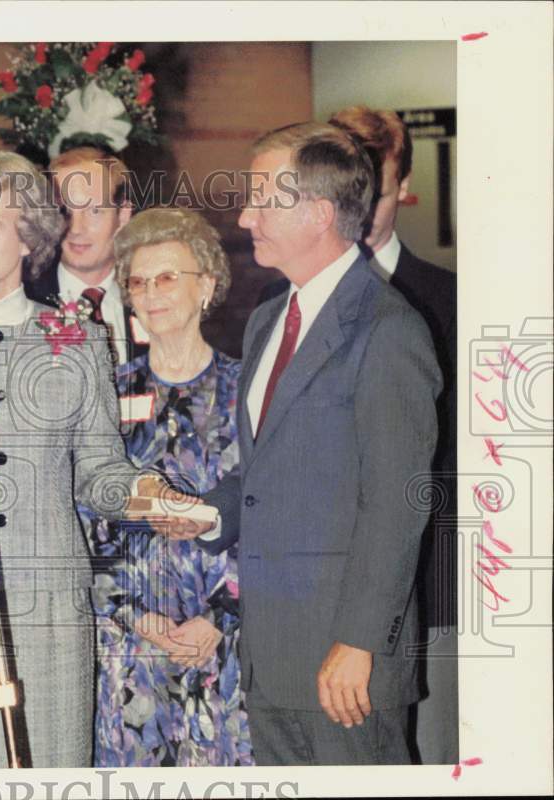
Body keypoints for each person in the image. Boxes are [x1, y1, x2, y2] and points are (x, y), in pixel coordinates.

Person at [0, 152, 209, 769]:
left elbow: (99, 470)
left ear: (29, 234)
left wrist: (155, 498)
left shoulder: (76, 337)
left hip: (52, 614)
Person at [235, 122, 441, 765]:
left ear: (320, 214)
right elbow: (270, 474)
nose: (245, 217)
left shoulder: (388, 330)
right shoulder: (268, 319)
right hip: (271, 660)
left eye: (263, 200)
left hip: (344, 668)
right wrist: (200, 509)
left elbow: (398, 502)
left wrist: (361, 643)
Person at [87, 208, 253, 767]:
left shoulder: (246, 390)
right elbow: (83, 520)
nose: (151, 293)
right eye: (137, 281)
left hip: (226, 646)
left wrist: (220, 616)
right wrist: (136, 615)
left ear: (206, 285)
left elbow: (270, 509)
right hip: (132, 650)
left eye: (167, 278)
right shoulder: (105, 396)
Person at [330, 105, 458, 765]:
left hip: (426, 593)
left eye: (372, 188)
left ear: (403, 185)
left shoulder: (451, 300)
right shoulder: (280, 305)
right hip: (319, 592)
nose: (358, 205)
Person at [24, 146, 148, 365]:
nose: (76, 228)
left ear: (123, 216)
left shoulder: (151, 299)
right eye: (65, 211)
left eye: (94, 211)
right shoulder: (26, 299)